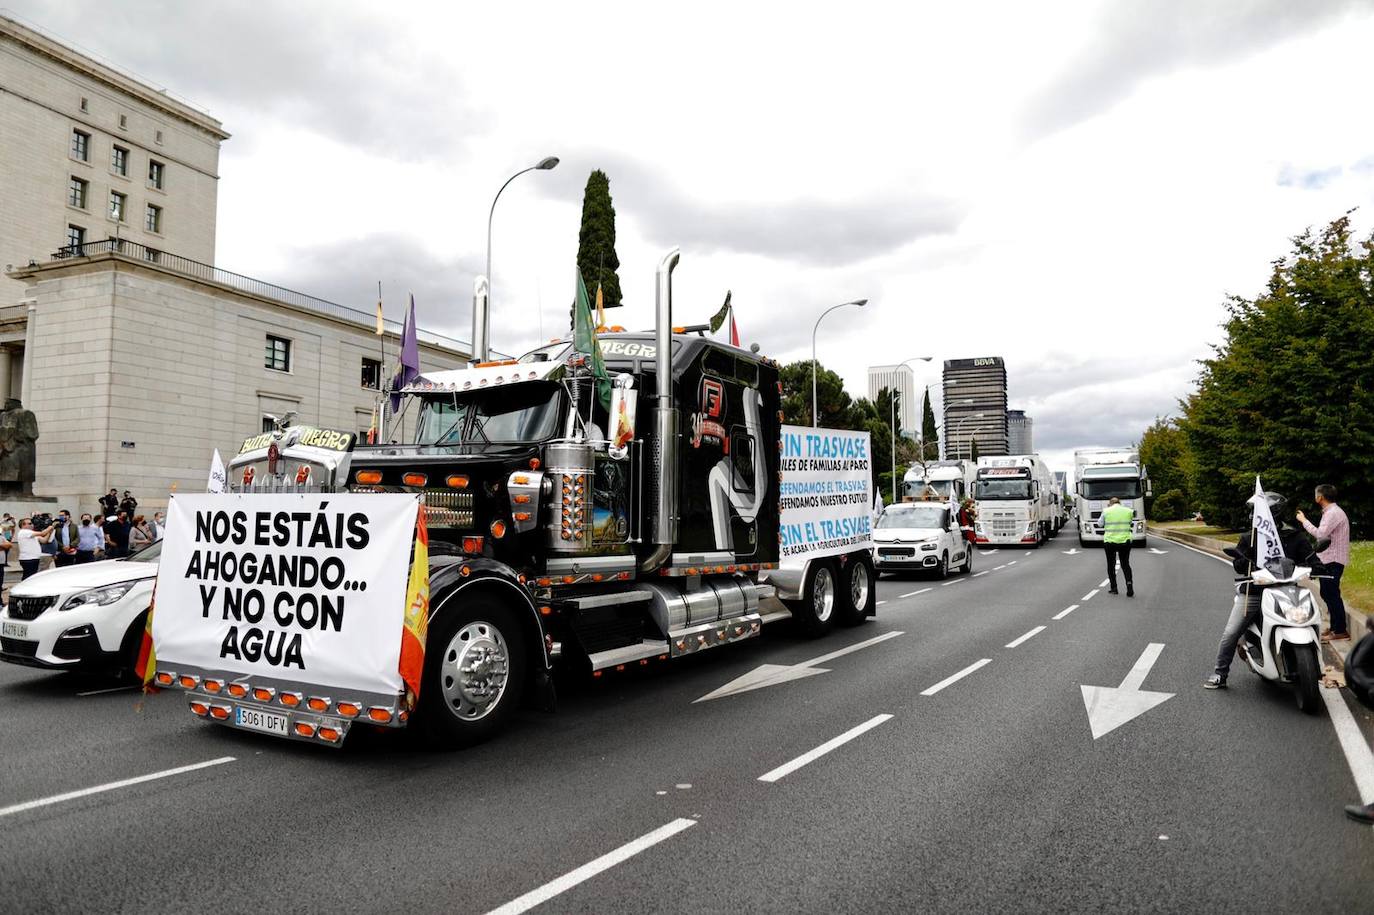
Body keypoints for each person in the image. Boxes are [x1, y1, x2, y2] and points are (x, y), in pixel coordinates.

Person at [1204, 491, 1319, 689]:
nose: (1253, 516)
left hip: (1287, 590)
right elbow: (1238, 566)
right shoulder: (1250, 538)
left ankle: (1314, 664)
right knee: (1231, 632)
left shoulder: (1294, 536)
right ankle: (1220, 673)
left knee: (1308, 619)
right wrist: (1245, 557)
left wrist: (1318, 566)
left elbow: (1310, 557)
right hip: (1254, 592)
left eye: (1258, 511)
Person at [1296, 483, 1351, 641]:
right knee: (1327, 593)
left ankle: (1340, 630)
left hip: (1333, 559)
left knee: (1332, 594)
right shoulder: (1331, 511)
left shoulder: (1332, 513)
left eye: (1316, 494)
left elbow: (1321, 534)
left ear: (1320, 497)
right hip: (1330, 559)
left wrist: (1304, 520)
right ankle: (1334, 627)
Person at [1101, 497, 1136, 596]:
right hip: (1125, 541)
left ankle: (1114, 588)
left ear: (1110, 503)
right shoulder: (1128, 511)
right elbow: (1130, 523)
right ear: (1119, 503)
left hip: (1110, 541)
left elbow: (1100, 524)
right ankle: (1129, 586)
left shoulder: (1106, 511)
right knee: (1125, 564)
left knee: (1111, 565)